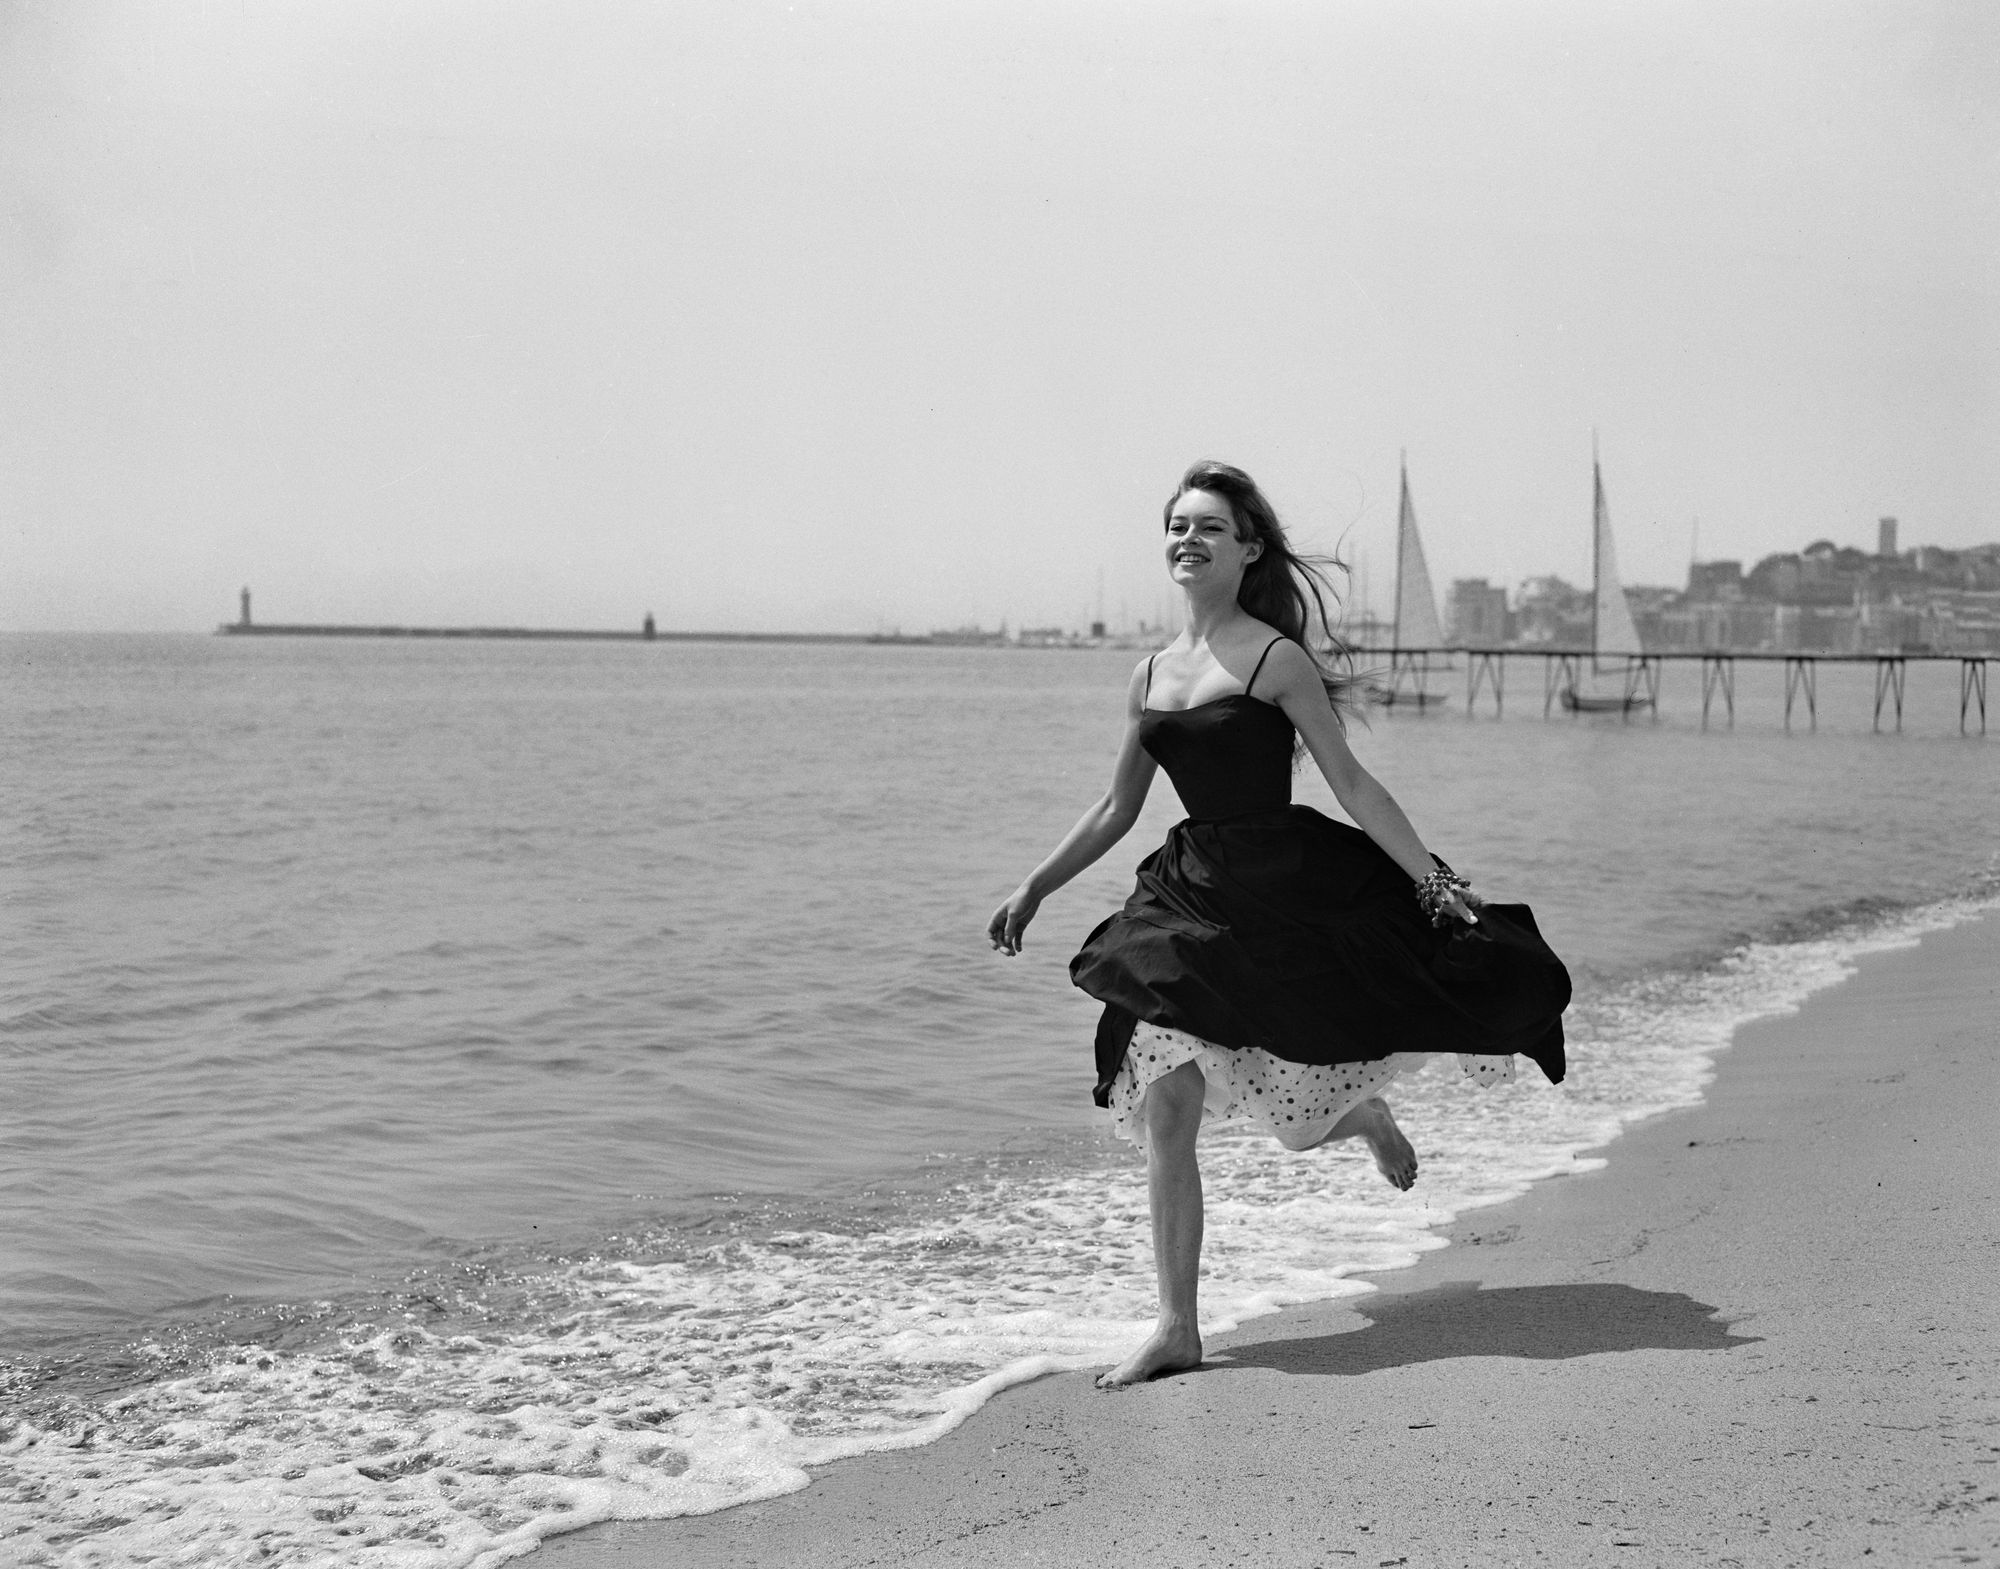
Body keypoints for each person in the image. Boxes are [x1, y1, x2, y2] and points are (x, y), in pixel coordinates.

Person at [986, 460, 1570, 1389]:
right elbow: (1114, 806)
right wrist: (1036, 885)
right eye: (1178, 524)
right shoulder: (1146, 674)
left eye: (1211, 526)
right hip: (1187, 895)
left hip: (1281, 888)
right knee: (1167, 1098)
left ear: (1248, 548)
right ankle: (1178, 1324)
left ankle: (1364, 1114)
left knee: (1290, 1110)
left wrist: (1434, 880)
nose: (1189, 538)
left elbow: (1352, 783)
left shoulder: (1273, 658)